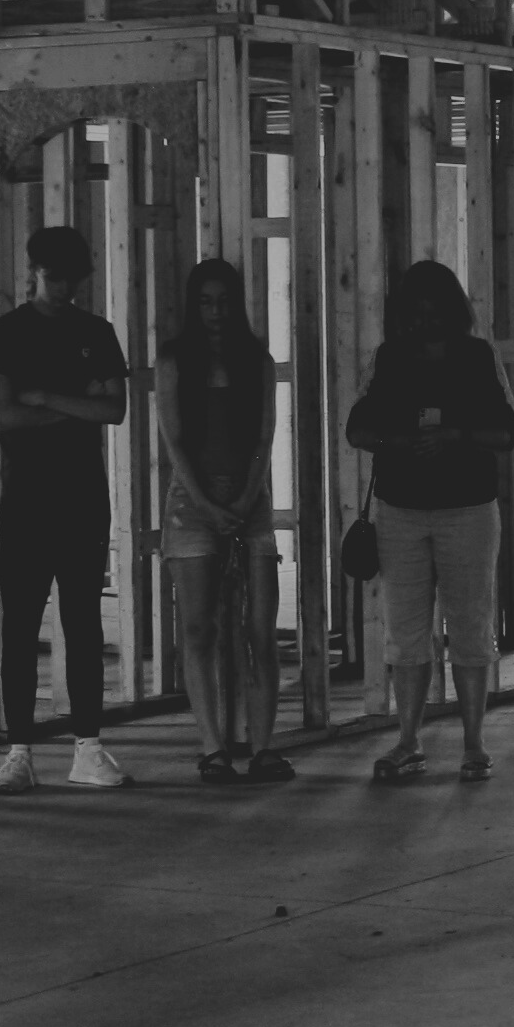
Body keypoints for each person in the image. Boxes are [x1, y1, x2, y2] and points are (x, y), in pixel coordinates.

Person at [0, 224, 135, 796]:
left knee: (83, 622)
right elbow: (7, 418)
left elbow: (114, 409)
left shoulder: (97, 332)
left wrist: (43, 396)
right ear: (34, 270)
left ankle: (87, 746)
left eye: (72, 277)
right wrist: (77, 405)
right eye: (55, 276)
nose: (65, 288)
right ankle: (19, 751)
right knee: (19, 624)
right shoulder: (5, 333)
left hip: (82, 495)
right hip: (28, 497)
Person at [346, 258, 514, 784]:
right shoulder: (388, 359)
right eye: (416, 312)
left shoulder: (479, 357)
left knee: (470, 627)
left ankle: (473, 744)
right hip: (400, 511)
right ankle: (408, 741)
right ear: (404, 315)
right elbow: (357, 428)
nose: (425, 321)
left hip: (468, 510)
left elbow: (507, 434)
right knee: (407, 632)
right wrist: (397, 441)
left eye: (434, 310)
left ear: (453, 311)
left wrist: (455, 437)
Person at [160, 256, 286, 783]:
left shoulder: (256, 360)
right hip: (193, 504)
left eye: (224, 301)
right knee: (198, 627)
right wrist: (209, 506)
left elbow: (263, 436)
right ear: (195, 306)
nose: (216, 312)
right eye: (206, 302)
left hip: (250, 501)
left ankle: (263, 747)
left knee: (259, 630)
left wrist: (247, 498)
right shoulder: (174, 360)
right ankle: (212, 747)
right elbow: (175, 442)